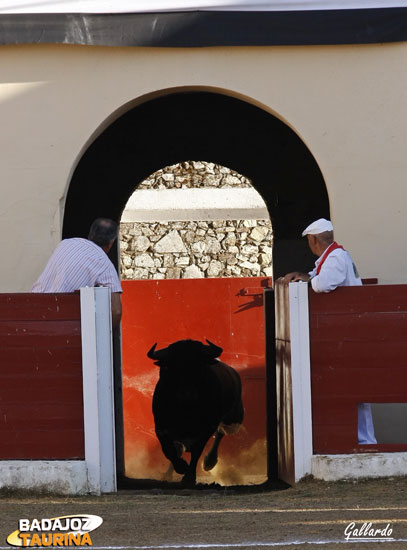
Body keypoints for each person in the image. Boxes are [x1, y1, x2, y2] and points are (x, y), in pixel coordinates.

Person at [282, 218, 376, 445]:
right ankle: (364, 441)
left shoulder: (335, 258)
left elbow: (323, 285)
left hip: (346, 337)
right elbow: (318, 277)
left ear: (313, 240)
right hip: (347, 335)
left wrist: (307, 279)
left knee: (352, 391)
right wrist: (306, 276)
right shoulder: (335, 256)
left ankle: (363, 442)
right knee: (354, 392)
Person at [32, 218, 122, 328]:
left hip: (34, 309)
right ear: (111, 243)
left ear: (90, 234)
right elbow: (116, 311)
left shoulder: (65, 244)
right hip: (62, 319)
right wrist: (104, 334)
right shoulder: (104, 263)